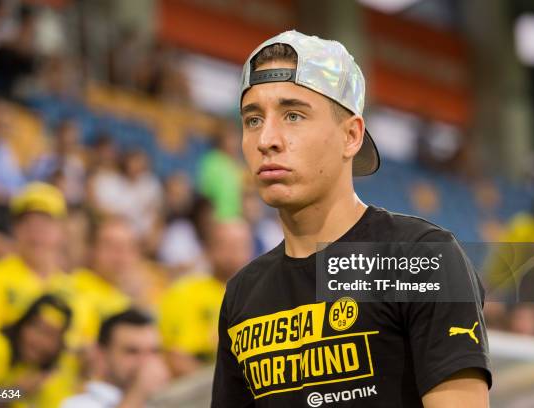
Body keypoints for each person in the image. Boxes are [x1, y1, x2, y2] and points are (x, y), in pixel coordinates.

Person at [211, 31, 491, 407]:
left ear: (351, 136)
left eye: (293, 115)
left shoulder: (421, 259)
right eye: (253, 119)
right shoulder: (242, 294)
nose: (267, 139)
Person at [0, 182, 69, 342]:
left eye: (45, 223)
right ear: (15, 230)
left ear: (62, 231)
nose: (36, 232)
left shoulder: (72, 290)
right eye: (27, 223)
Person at [160, 219, 253, 376]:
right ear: (208, 249)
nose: (234, 253)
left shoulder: (260, 294)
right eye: (226, 245)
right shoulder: (185, 292)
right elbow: (177, 357)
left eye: (241, 245)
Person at [0, 294, 78, 408]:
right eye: (38, 330)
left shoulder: (44, 371)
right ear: (22, 325)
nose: (40, 341)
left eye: (51, 336)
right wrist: (14, 392)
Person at [60, 309, 171, 408]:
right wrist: (137, 394)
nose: (146, 362)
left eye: (154, 351)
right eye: (132, 351)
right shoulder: (78, 404)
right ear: (101, 354)